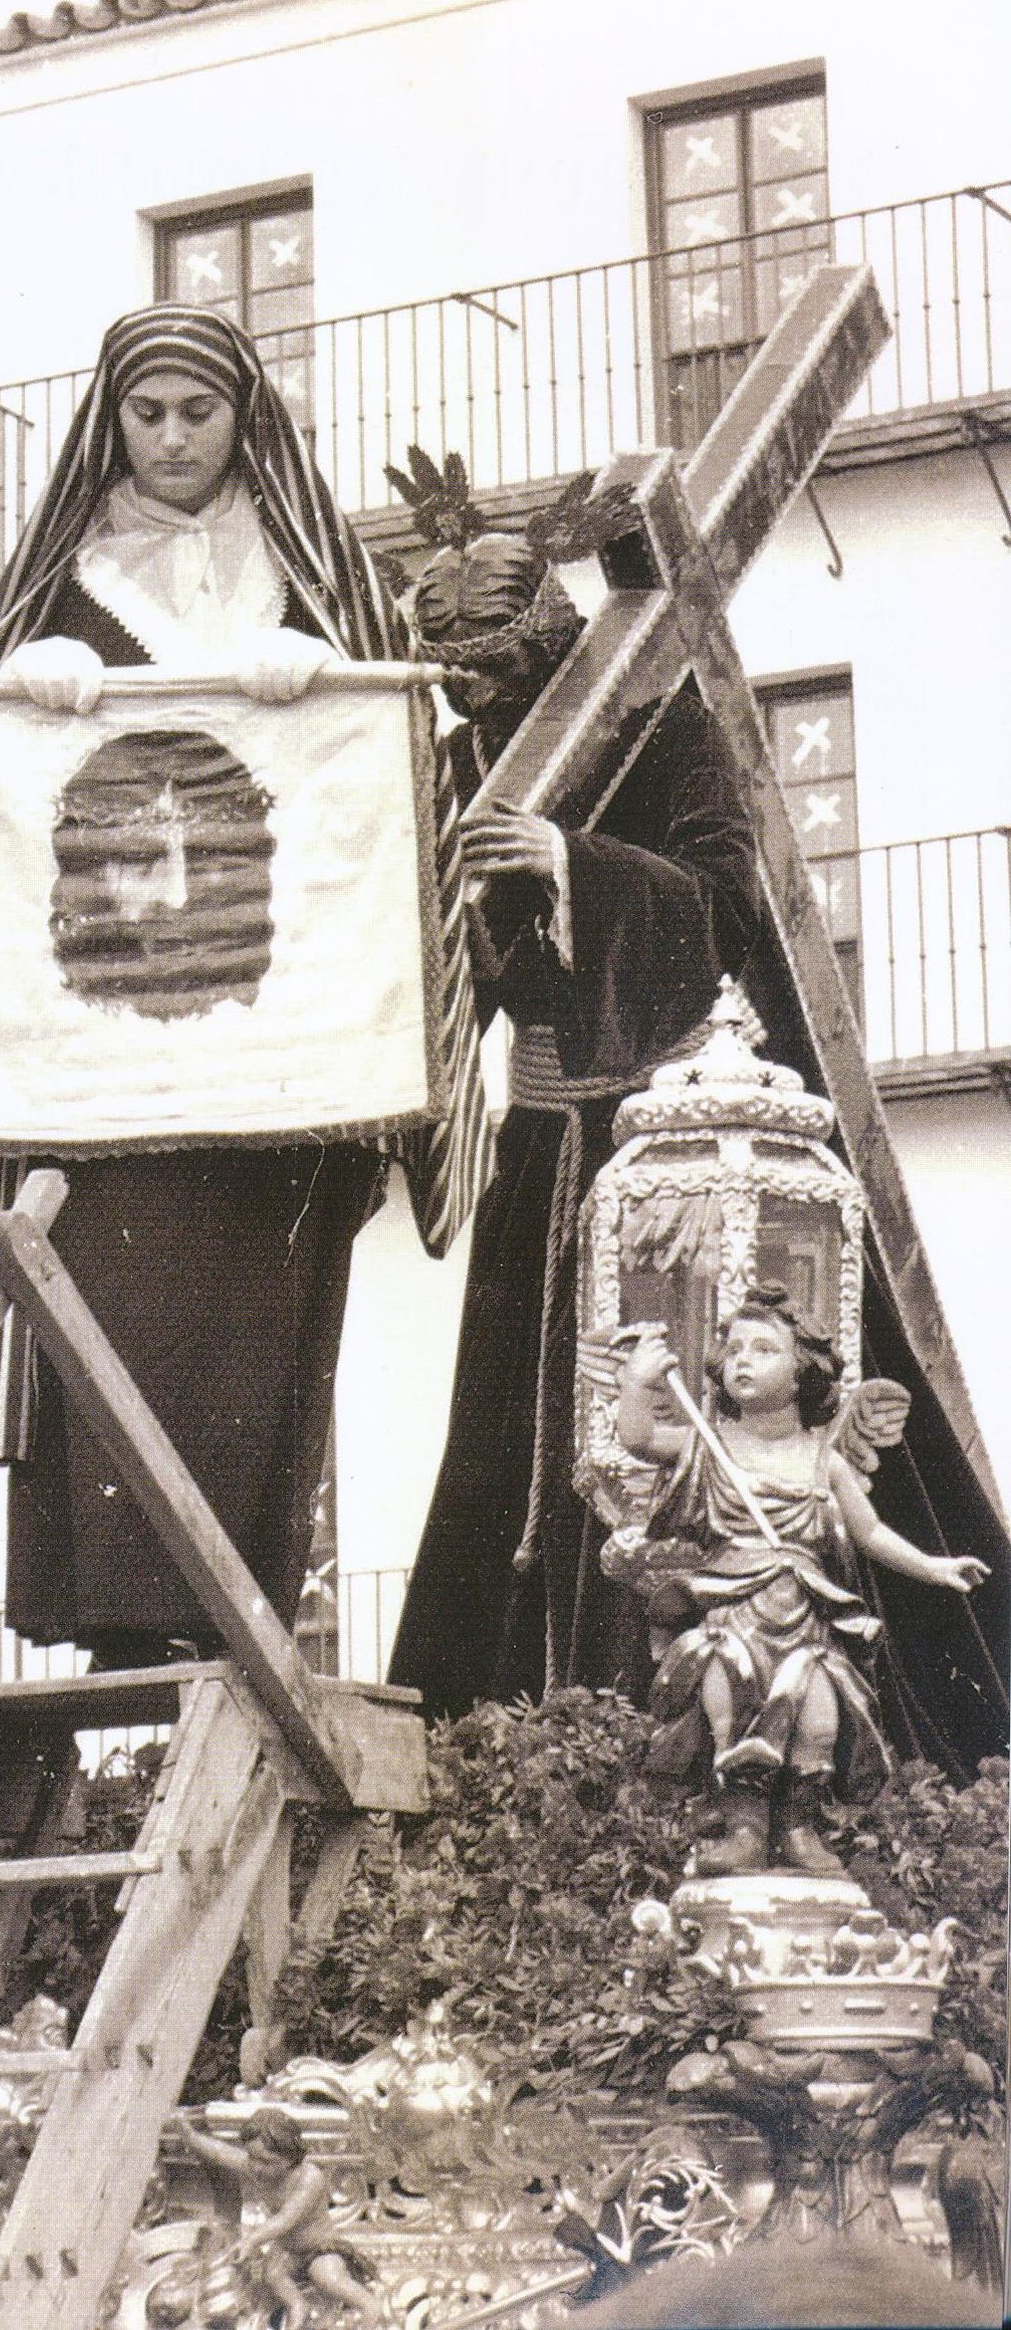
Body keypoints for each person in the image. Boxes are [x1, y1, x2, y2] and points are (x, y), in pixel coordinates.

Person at [0, 305, 481, 1667]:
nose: (172, 440)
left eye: (198, 415)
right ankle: (113, 1633)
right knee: (110, 1326)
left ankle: (241, 1627)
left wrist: (334, 678)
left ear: (244, 423)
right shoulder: (58, 586)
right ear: (112, 426)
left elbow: (413, 772)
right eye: (147, 416)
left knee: (248, 1352)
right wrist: (17, 678)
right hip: (103, 1081)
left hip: (275, 1079)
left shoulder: (319, 579)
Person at [387, 531, 763, 1718]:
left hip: (662, 1139)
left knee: (655, 1418)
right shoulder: (454, 763)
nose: (471, 698)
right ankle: (499, 1720)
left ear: (550, 646)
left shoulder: (662, 721)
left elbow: (726, 905)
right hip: (538, 1136)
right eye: (453, 677)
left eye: (492, 672)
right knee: (508, 1444)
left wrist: (570, 863)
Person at [613, 1290, 988, 1874]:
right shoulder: (709, 1447)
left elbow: (870, 1532)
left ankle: (798, 1827)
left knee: (817, 1722)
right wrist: (638, 1385)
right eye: (734, 1349)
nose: (742, 1360)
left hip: (808, 1622)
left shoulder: (824, 1459)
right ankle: (744, 1828)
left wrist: (935, 1567)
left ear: (802, 1373)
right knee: (729, 1709)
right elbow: (637, 1439)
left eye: (764, 1349)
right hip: (730, 1615)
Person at [178, 2106, 384, 2326]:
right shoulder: (261, 2170)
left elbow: (286, 2219)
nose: (256, 2167)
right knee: (271, 2273)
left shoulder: (309, 2179)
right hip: (289, 2251)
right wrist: (189, 2135)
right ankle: (297, 2305)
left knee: (325, 2276)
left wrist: (254, 2239)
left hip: (320, 2248)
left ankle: (369, 2307)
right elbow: (222, 2153)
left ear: (289, 2157)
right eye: (252, 2157)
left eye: (265, 2161)